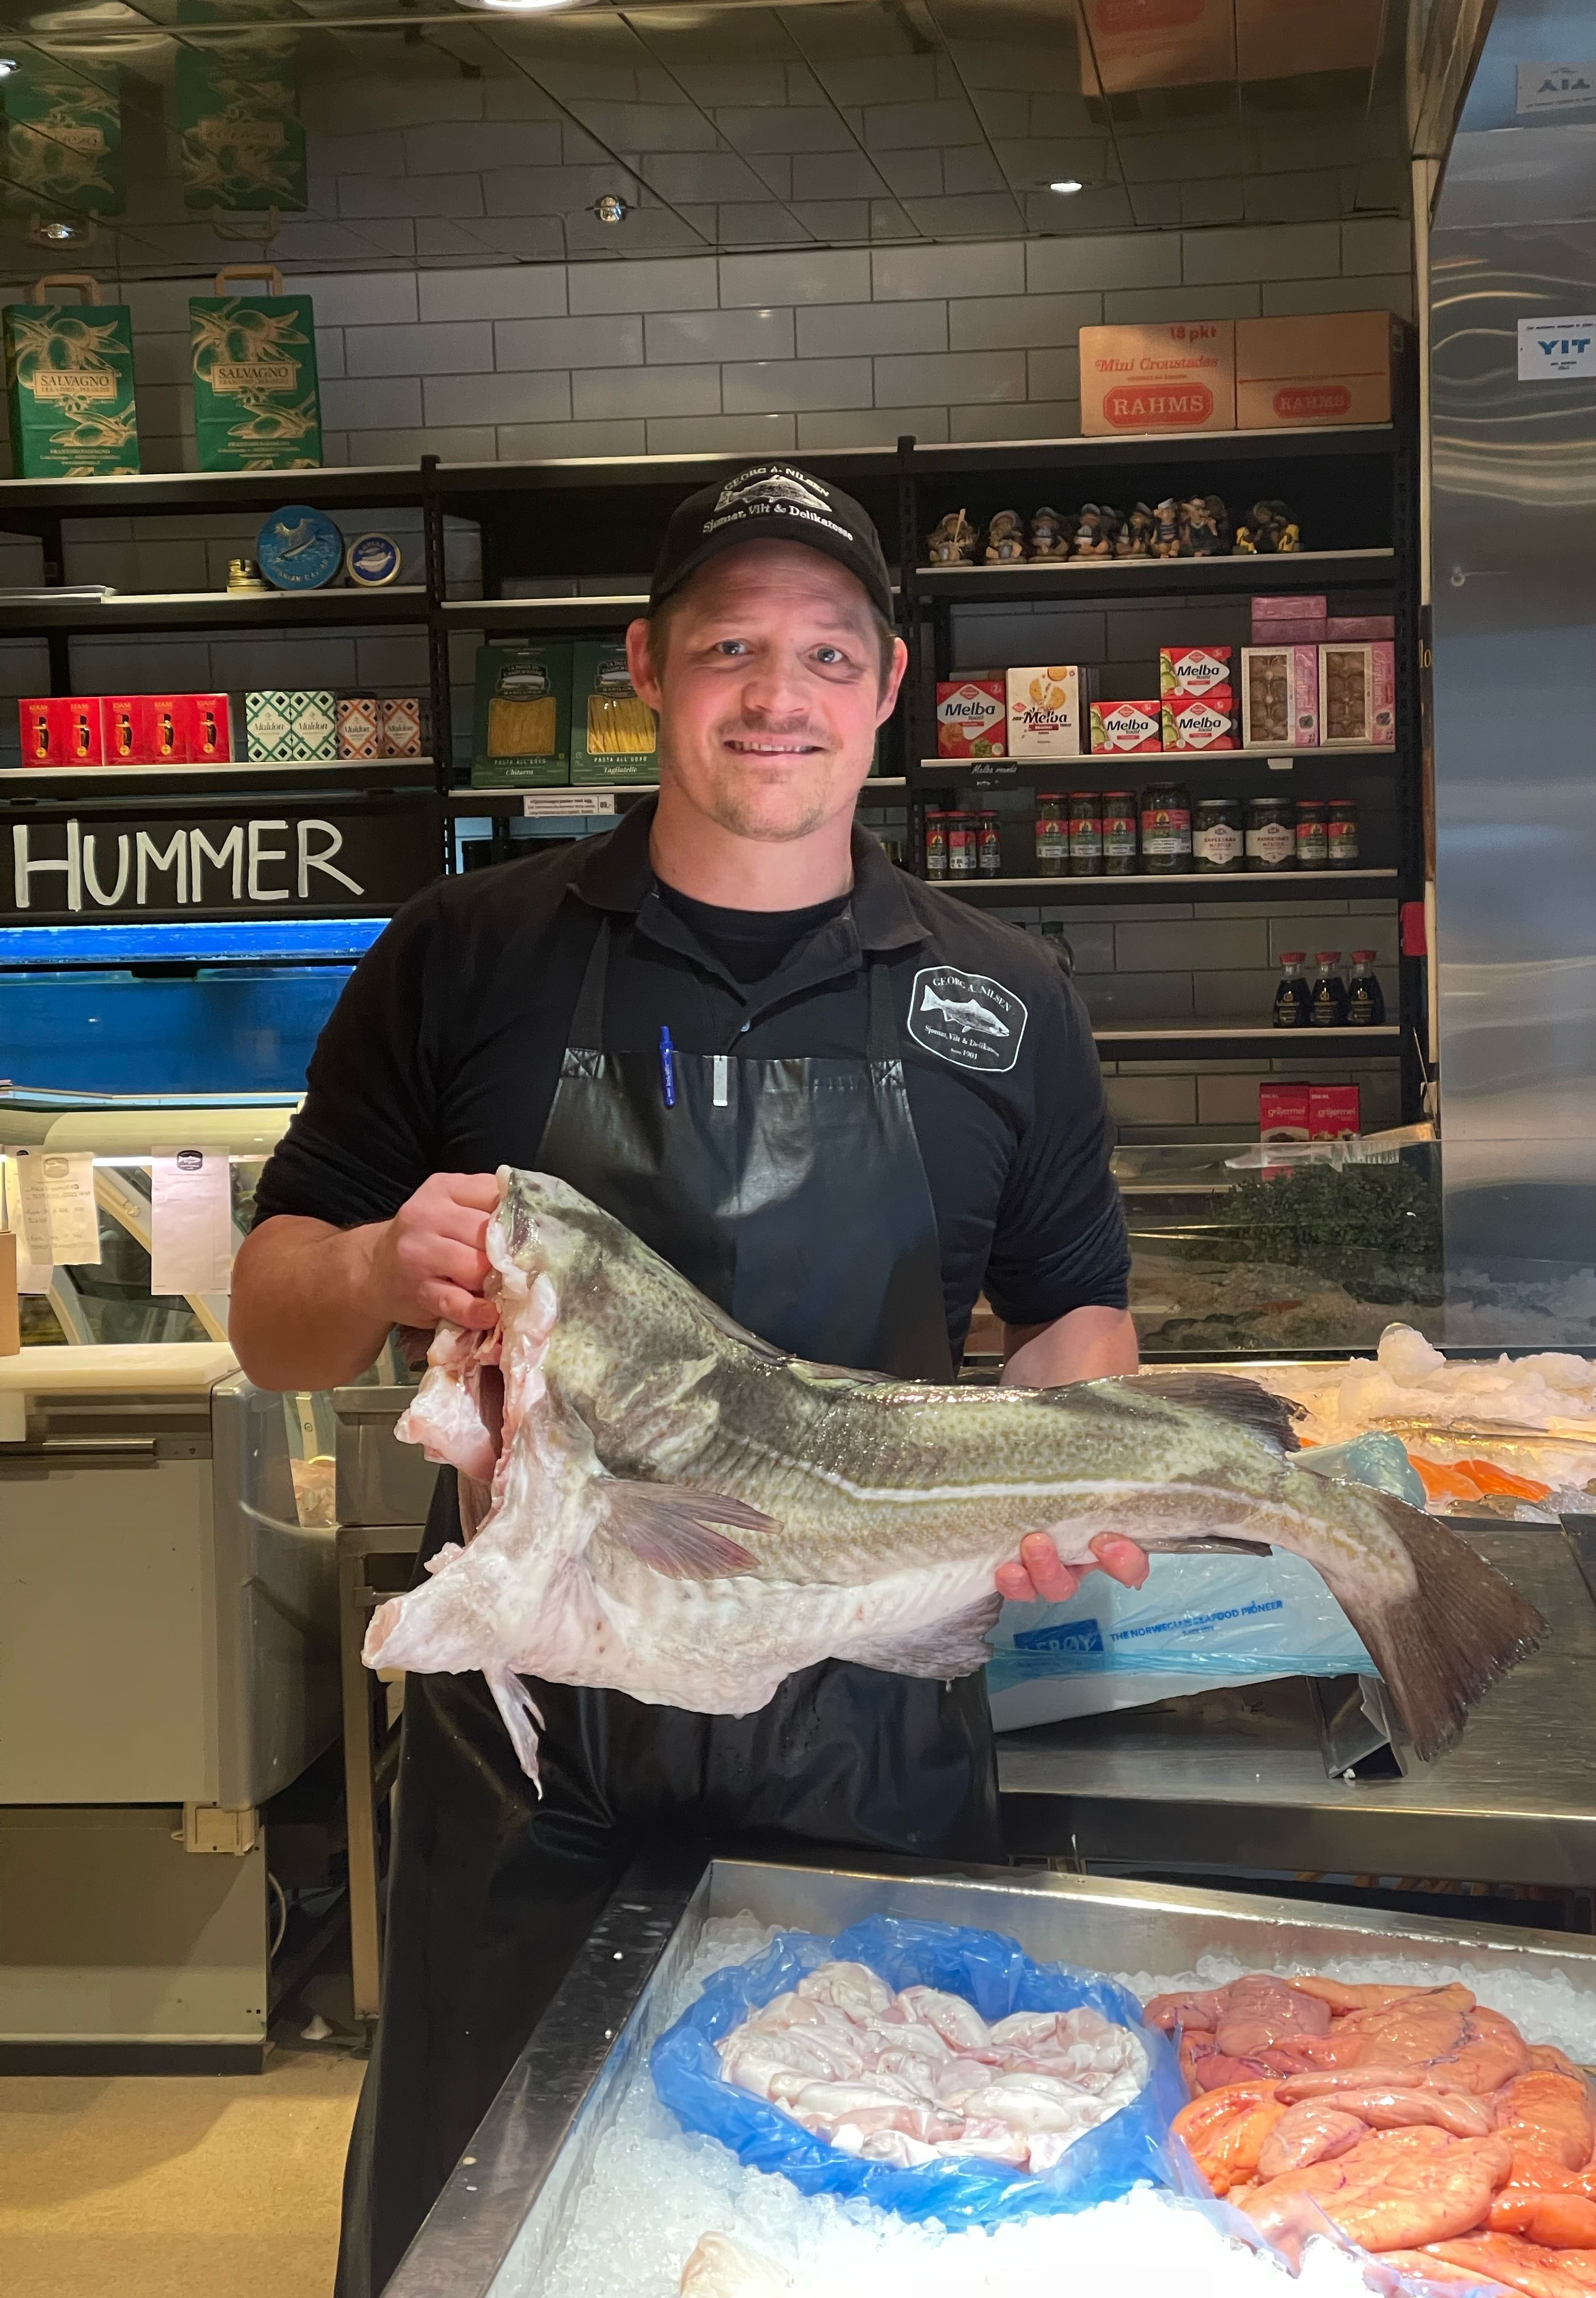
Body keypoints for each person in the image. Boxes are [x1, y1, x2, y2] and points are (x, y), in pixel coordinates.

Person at [228, 463, 1148, 2296]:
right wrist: (372, 1265)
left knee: (840, 2230)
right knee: (498, 2230)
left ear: (890, 688)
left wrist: (1076, 1484)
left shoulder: (1001, 999)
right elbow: (271, 1318)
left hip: (869, 1724)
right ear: (646, 667)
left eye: (827, 653)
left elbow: (1072, 1325)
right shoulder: (467, 955)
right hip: (533, 1749)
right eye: (731, 646)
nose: (777, 695)